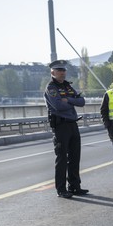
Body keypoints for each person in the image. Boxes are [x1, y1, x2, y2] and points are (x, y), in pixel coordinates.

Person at [44, 60, 88, 199]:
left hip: (72, 124)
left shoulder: (68, 87)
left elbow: (82, 102)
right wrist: (72, 101)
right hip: (61, 126)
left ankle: (75, 186)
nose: (62, 73)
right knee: (62, 158)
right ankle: (61, 189)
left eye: (63, 70)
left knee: (75, 157)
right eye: (59, 70)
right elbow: (58, 106)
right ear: (53, 72)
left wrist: (68, 100)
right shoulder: (51, 88)